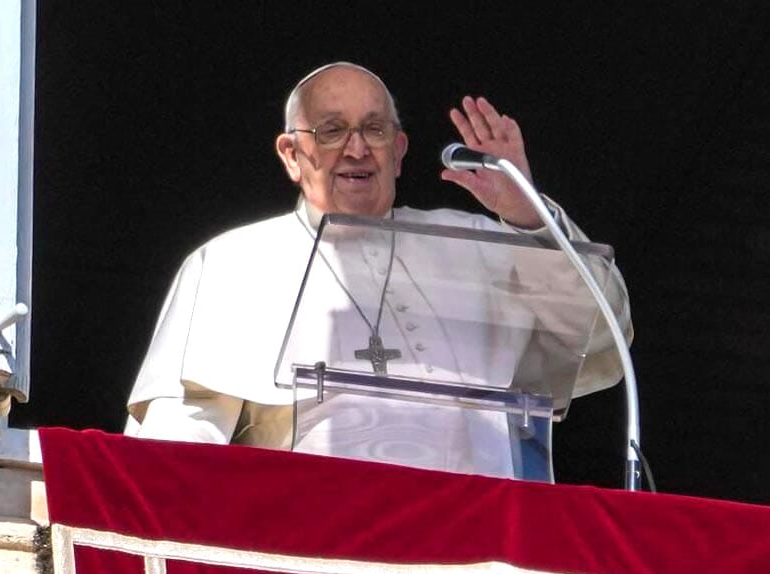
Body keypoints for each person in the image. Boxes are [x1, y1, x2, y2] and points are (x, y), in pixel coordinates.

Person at [124, 62, 632, 478]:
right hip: (313, 543)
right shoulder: (232, 262)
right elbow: (180, 435)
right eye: (332, 130)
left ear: (400, 151)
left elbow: (598, 329)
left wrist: (526, 213)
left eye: (374, 128)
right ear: (292, 154)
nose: (357, 147)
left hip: (477, 546)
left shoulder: (479, 243)